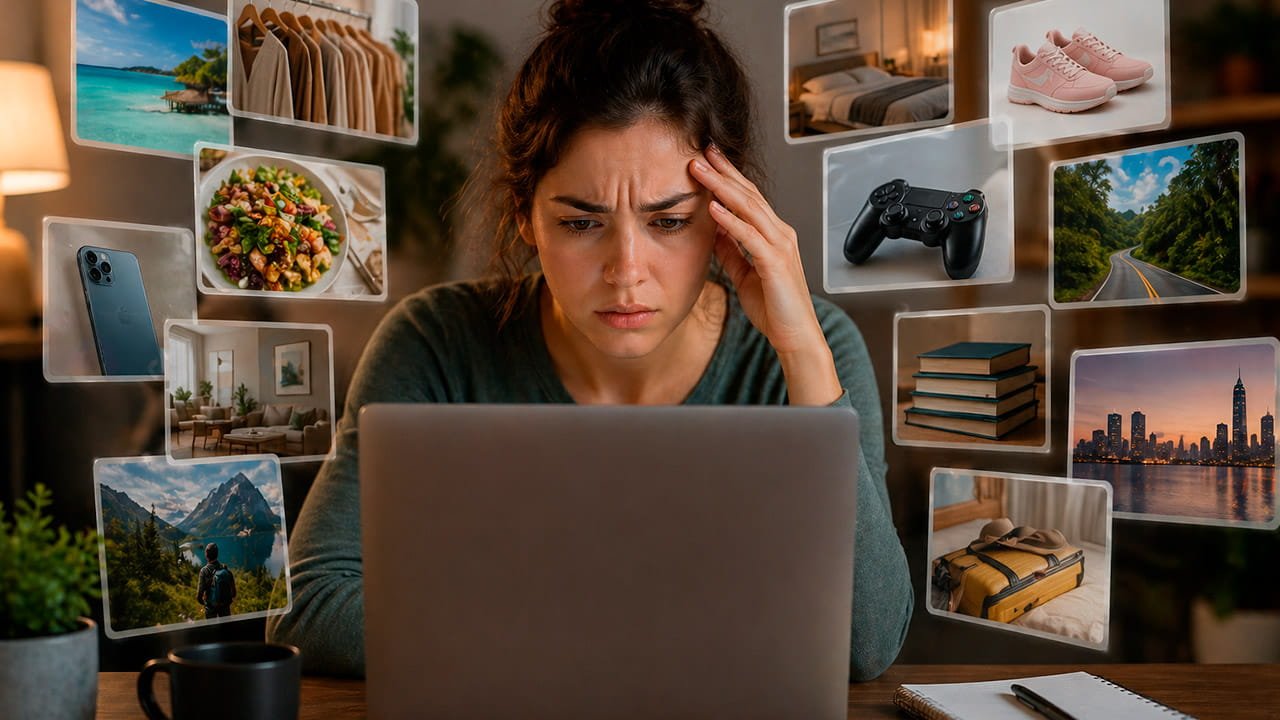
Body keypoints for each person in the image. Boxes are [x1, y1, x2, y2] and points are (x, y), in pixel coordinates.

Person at [267, 0, 912, 679]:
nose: (625, 271)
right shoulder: (433, 344)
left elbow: (867, 644)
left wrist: (803, 354)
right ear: (525, 215)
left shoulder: (814, 347)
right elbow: (310, 608)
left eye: (668, 223)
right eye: (581, 223)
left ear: (729, 217)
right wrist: (650, 637)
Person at [196, 542, 236, 619]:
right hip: (225, 609)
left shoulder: (204, 571)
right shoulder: (225, 570)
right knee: (226, 630)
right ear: (217, 554)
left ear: (206, 555)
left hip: (211, 610)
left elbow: (199, 597)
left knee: (212, 630)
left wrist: (207, 603)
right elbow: (233, 594)